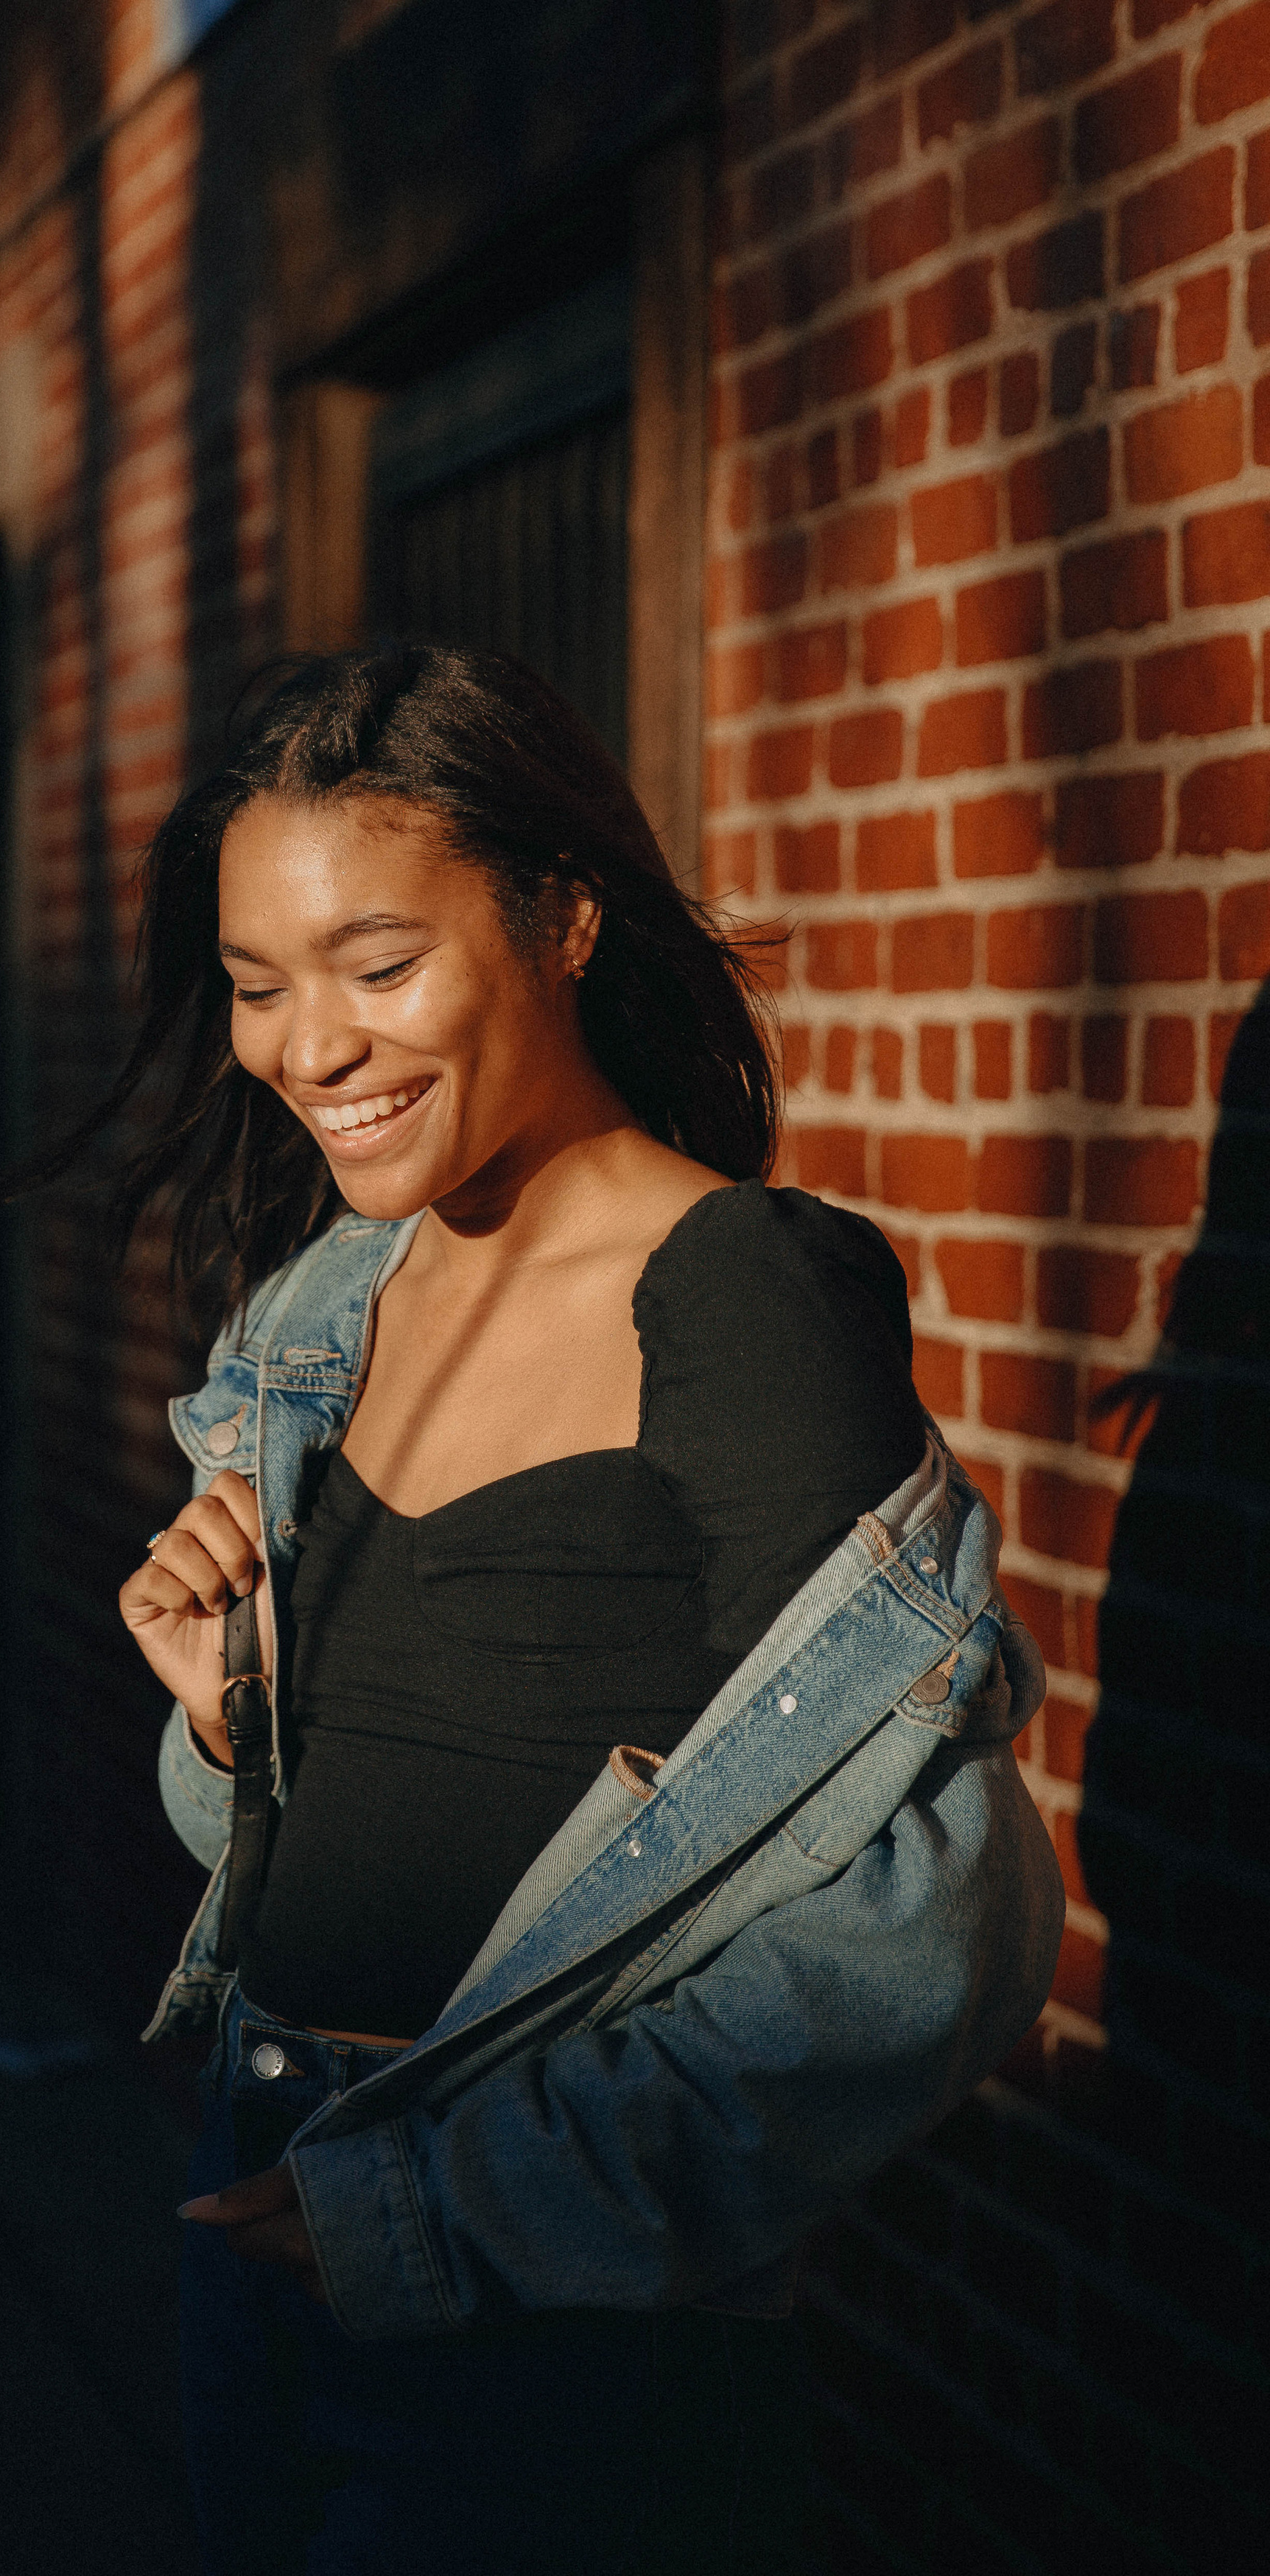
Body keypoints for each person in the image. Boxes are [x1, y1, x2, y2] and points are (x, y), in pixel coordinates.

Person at [80, 645, 1061, 2574]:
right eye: (260, 987)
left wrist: (445, 2211)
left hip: (551, 2305)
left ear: (566, 918)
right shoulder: (324, 1306)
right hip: (259, 2182)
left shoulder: (741, 1294)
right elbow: (312, 1828)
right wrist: (223, 1713)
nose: (310, 1049)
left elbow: (936, 1931)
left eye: (380, 966)